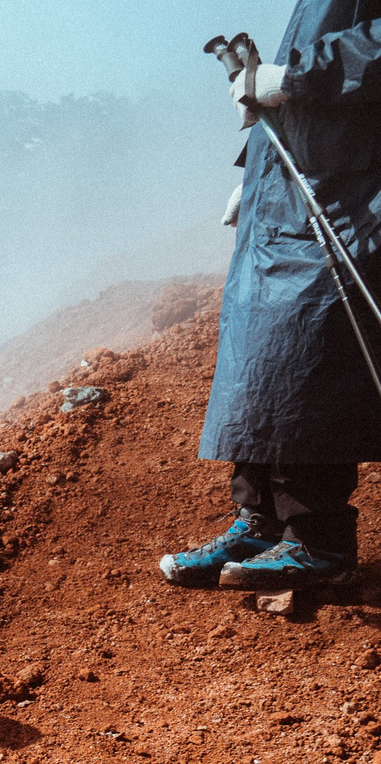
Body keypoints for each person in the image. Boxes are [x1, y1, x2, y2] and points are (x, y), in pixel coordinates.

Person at [162, 2, 380, 591]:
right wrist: (254, 170)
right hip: (289, 187)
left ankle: (318, 539)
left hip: (344, 194)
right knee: (260, 363)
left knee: (309, 358)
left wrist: (295, 76)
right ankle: (259, 521)